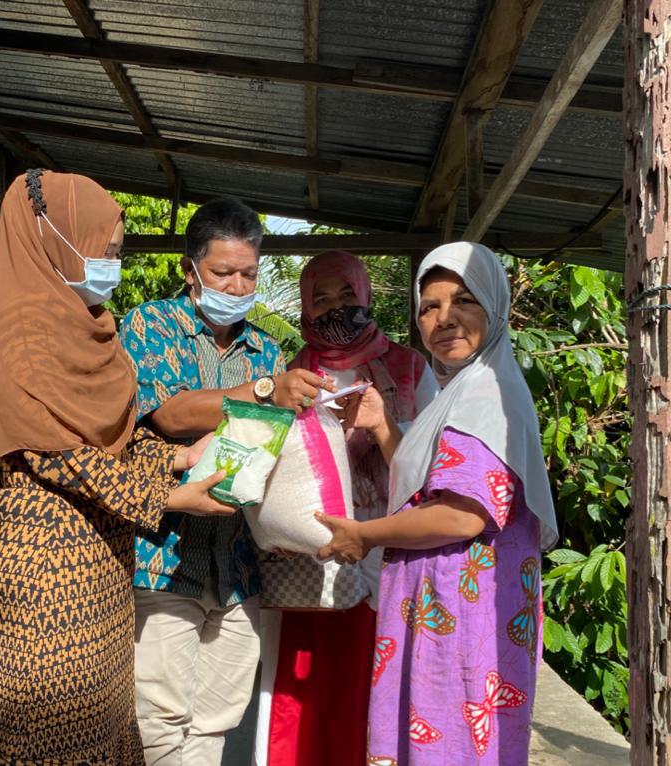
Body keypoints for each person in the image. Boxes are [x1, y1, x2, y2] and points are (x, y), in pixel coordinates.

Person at [0, 170, 234, 765]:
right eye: (102, 252)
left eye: (116, 253)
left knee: (101, 720)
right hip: (39, 566)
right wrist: (168, 499)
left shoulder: (92, 330)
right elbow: (57, 453)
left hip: (103, 560)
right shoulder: (19, 331)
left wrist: (178, 457)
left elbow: (120, 440)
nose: (111, 265)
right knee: (45, 724)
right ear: (52, 238)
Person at [317, 242, 557, 766]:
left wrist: (363, 534)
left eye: (464, 300)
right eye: (429, 306)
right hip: (444, 607)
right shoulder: (466, 388)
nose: (444, 318)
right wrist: (382, 426)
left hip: (461, 614)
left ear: (495, 307)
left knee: (452, 745)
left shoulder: (487, 393)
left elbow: (463, 514)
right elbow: (435, 484)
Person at [119, 197, 333, 766]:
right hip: (163, 558)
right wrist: (265, 392)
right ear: (191, 269)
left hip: (239, 566)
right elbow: (168, 413)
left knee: (217, 718)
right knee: (159, 717)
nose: (237, 287)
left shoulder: (265, 346)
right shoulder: (150, 324)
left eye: (249, 274)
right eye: (222, 273)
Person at [253, 251, 438, 766]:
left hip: (389, 550)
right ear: (307, 309)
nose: (336, 308)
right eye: (322, 299)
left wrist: (380, 425)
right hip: (311, 555)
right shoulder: (291, 374)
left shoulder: (409, 368)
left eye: (347, 295)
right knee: (304, 688)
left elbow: (433, 472)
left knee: (375, 682)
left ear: (367, 296)